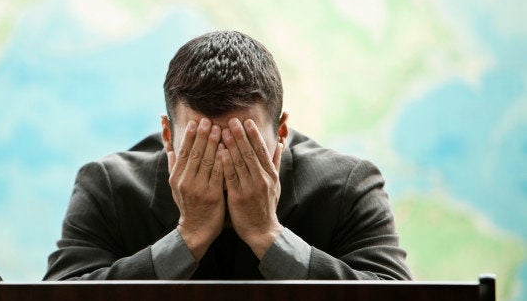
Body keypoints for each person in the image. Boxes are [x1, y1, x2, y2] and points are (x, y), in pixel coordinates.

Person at [43, 31, 412, 280]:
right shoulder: (107, 185)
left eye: (243, 144)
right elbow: (62, 291)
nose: (221, 163)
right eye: (200, 145)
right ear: (168, 135)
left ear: (281, 131)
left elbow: (393, 290)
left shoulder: (350, 185)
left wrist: (268, 235)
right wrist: (186, 238)